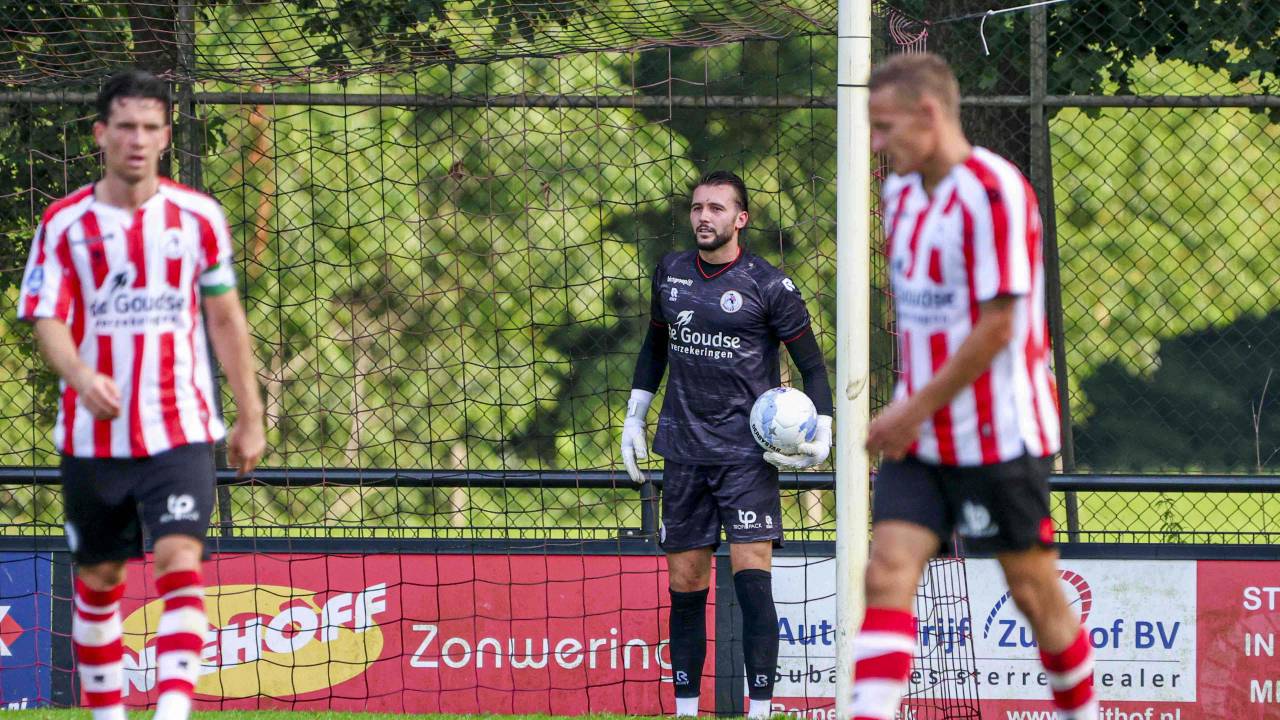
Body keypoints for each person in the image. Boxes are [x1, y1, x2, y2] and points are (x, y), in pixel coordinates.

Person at [851, 53, 1095, 720]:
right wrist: (914, 413)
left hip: (1001, 432)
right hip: (924, 437)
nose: (876, 144)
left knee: (1032, 592)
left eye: (884, 127)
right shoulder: (899, 192)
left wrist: (908, 409)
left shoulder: (996, 191)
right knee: (887, 572)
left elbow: (996, 327)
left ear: (929, 116)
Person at [16, 70, 265, 720]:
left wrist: (250, 415)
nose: (137, 139)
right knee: (99, 582)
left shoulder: (199, 218)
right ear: (101, 135)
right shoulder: (64, 224)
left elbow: (226, 318)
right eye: (125, 125)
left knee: (179, 558)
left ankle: (173, 713)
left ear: (165, 138)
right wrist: (79, 376)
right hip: (93, 435)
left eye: (151, 127)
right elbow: (45, 315)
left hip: (180, 426)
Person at [620, 170, 834, 718]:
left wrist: (824, 429)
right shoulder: (669, 273)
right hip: (684, 450)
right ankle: (688, 710)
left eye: (716, 208)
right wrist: (635, 416)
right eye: (697, 208)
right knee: (686, 586)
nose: (703, 217)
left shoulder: (770, 285)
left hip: (746, 458)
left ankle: (761, 710)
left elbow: (811, 365)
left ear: (740, 219)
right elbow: (654, 346)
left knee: (752, 584)